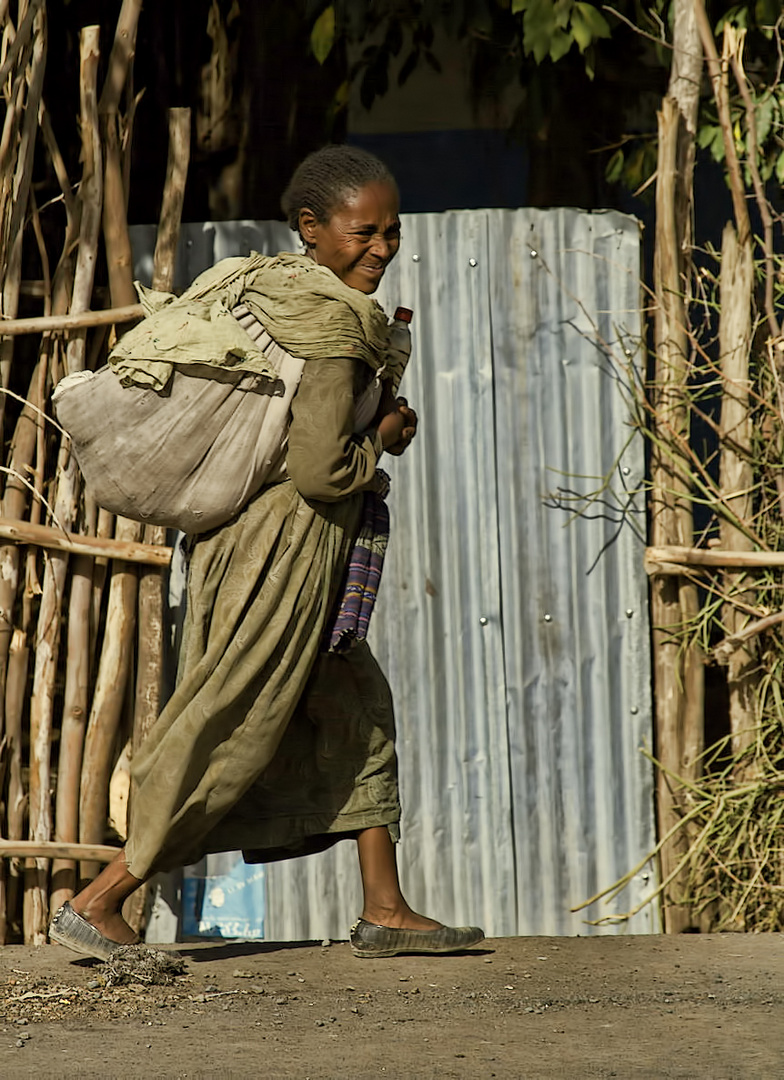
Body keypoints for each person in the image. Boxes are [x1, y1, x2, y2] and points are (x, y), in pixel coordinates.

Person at [50, 145, 484, 961]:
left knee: (353, 709)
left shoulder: (276, 293)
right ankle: (103, 896)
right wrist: (383, 439)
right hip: (288, 550)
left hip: (250, 544)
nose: (382, 250)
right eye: (363, 234)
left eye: (392, 233)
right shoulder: (335, 328)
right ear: (311, 230)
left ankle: (385, 908)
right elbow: (322, 469)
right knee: (232, 720)